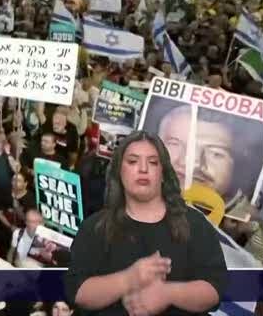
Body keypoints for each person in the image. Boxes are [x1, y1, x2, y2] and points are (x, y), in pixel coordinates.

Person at [64, 131, 227, 316]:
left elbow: (214, 289)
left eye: (153, 162)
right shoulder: (95, 227)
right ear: (119, 171)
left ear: (163, 173)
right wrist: (128, 279)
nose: (143, 169)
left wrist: (168, 294)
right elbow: (77, 292)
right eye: (133, 161)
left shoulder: (195, 224)